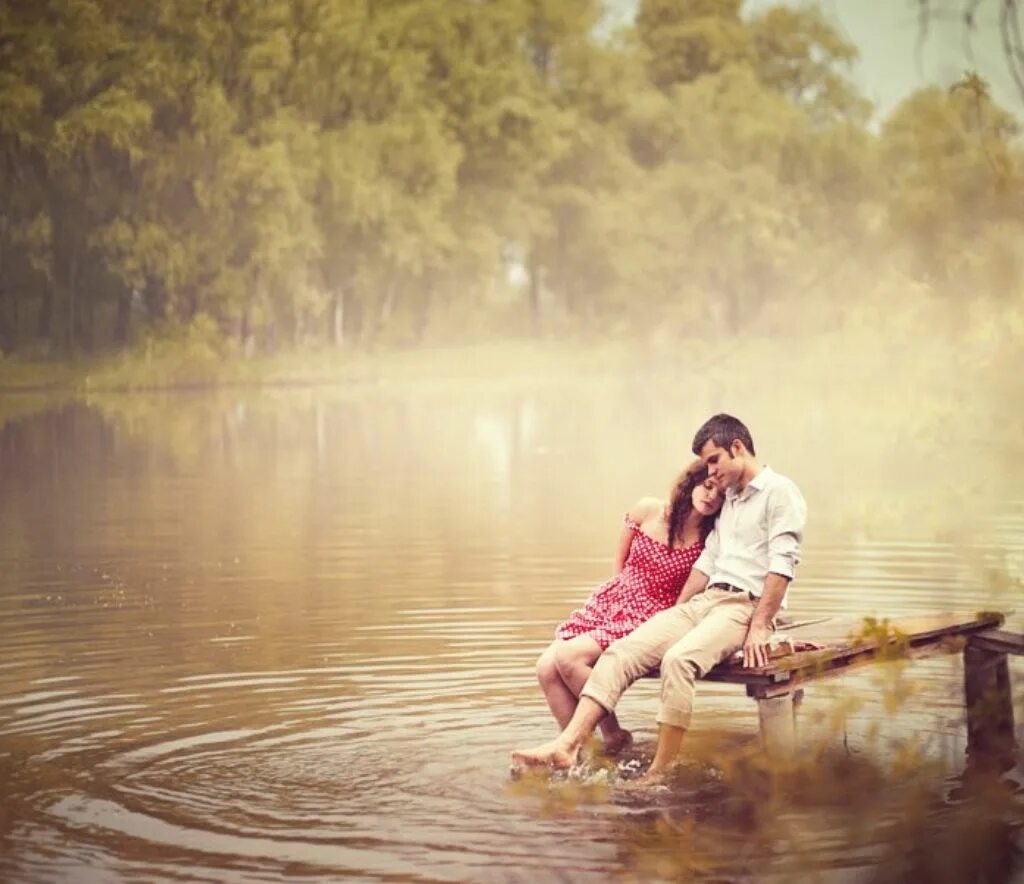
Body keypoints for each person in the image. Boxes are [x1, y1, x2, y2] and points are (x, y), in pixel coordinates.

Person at [512, 414, 807, 783]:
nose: (710, 472)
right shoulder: (730, 498)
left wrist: (762, 624)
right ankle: (568, 746)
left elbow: (784, 562)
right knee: (622, 652)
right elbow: (707, 562)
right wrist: (679, 613)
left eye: (714, 460)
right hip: (705, 601)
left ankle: (659, 772)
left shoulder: (780, 492)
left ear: (737, 447)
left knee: (678, 660)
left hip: (744, 606)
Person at [536, 461, 723, 755]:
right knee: (545, 667)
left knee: (569, 658)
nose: (711, 496)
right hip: (614, 599)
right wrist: (614, 600)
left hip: (653, 613)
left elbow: (695, 590)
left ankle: (613, 736)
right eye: (708, 486)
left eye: (721, 494)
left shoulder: (711, 539)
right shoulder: (647, 509)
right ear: (691, 482)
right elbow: (619, 564)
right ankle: (583, 755)